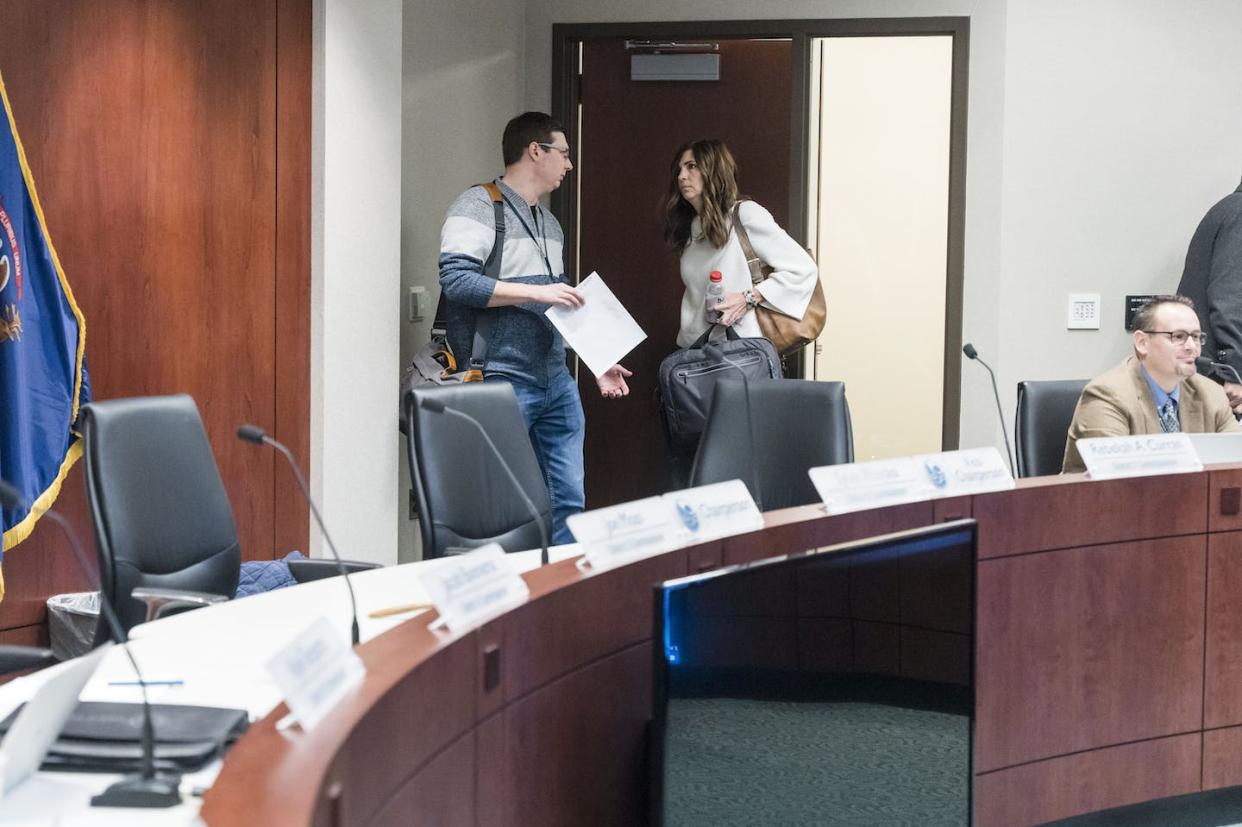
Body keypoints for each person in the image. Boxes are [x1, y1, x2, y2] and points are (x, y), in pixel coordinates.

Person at [438, 112, 631, 544]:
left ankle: (562, 595)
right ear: (535, 151)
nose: (569, 165)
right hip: (501, 378)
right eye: (564, 153)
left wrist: (597, 361)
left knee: (570, 501)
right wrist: (538, 293)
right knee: (499, 507)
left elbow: (560, 306)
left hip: (555, 379)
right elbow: (457, 281)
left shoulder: (550, 223)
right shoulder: (477, 207)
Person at [662, 138, 818, 348]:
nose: (681, 177)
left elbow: (803, 269)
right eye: (679, 169)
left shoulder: (745, 214)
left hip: (741, 351)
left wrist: (748, 299)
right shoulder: (690, 228)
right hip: (696, 351)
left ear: (713, 170)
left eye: (692, 167)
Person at [1061, 295, 1240, 473]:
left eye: (1196, 336)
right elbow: (1114, 482)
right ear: (1142, 343)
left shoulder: (1211, 393)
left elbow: (1236, 463)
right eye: (1178, 336)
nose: (1192, 347)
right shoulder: (1107, 396)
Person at [1176, 176, 1242, 414]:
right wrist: (1235, 371)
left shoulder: (1229, 209)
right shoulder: (1239, 213)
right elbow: (1230, 299)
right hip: (1221, 380)